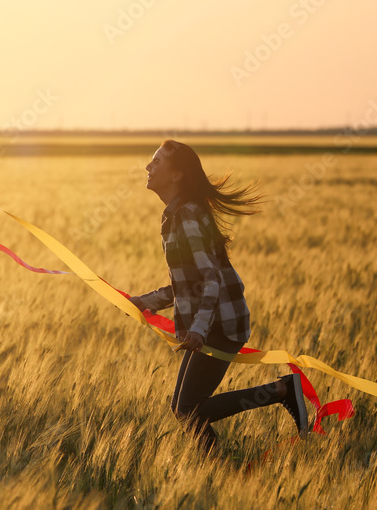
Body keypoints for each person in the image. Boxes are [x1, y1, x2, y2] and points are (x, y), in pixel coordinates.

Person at [129, 140, 309, 453]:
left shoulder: (186, 216)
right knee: (183, 409)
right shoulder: (175, 215)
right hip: (211, 321)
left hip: (220, 323)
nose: (148, 167)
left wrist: (198, 328)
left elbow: (211, 278)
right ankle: (220, 470)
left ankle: (282, 390)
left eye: (156, 162)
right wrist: (148, 301)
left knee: (187, 410)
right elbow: (191, 282)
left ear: (177, 176)